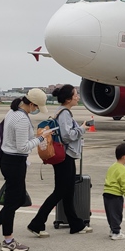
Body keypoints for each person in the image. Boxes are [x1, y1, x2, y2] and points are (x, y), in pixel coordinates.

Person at [0, 89, 53, 251]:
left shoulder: (13, 112)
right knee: (12, 201)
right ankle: (8, 240)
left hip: (9, 160)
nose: (37, 110)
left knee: (18, 199)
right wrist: (41, 138)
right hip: (15, 161)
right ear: (31, 104)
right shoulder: (21, 119)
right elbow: (22, 147)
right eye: (37, 107)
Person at [28, 84, 92, 236]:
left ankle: (75, 224)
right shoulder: (64, 113)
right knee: (60, 191)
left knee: (68, 191)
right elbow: (67, 136)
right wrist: (82, 129)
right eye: (75, 95)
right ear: (68, 99)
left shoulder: (62, 112)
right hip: (65, 156)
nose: (78, 97)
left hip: (65, 156)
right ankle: (37, 223)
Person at [103, 143, 125, 241]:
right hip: (115, 195)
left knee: (110, 214)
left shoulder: (112, 167)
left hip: (107, 193)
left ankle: (113, 230)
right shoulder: (123, 170)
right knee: (117, 214)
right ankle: (116, 233)